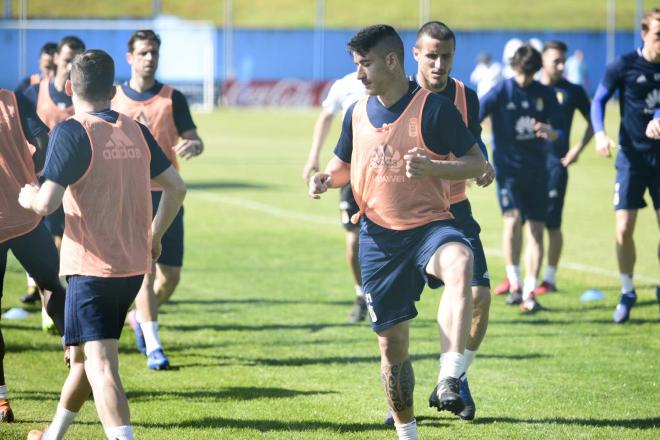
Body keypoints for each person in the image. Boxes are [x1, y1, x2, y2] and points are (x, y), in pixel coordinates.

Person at [309, 25, 486, 440]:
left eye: (365, 64)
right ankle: (407, 431)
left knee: (461, 261)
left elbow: (476, 164)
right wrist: (324, 179)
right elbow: (343, 168)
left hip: (430, 226)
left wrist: (434, 168)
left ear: (391, 61)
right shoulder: (356, 111)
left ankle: (450, 377)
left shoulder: (434, 109)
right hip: (379, 239)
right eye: (356, 65)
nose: (359, 74)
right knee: (392, 349)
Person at [21, 49, 186, 440]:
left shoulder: (73, 130)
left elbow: (46, 203)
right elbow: (176, 187)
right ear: (113, 90)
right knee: (82, 358)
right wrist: (154, 236)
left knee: (100, 364)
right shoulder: (136, 129)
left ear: (67, 86)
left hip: (92, 268)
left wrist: (26, 195)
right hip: (132, 267)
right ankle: (52, 436)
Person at [409, 20, 494, 422]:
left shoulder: (466, 96)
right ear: (415, 55)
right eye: (432, 56)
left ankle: (454, 378)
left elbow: (471, 147)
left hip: (455, 208)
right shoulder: (399, 96)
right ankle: (400, 404)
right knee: (398, 317)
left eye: (446, 56)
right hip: (405, 212)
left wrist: (482, 165)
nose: (439, 64)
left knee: (480, 298)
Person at [111, 29, 203, 369]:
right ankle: (154, 347)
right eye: (144, 52)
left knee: (171, 276)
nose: (150, 58)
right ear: (130, 57)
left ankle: (139, 318)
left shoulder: (172, 98)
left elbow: (194, 137)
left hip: (168, 196)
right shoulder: (115, 97)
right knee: (145, 273)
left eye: (154, 53)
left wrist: (193, 145)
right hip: (130, 197)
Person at [480, 44, 563, 312]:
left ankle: (529, 291)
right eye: (521, 72)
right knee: (513, 221)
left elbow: (559, 129)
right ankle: (513, 281)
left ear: (537, 71)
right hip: (508, 171)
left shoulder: (545, 94)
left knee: (537, 229)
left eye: (530, 73)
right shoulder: (501, 91)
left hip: (538, 170)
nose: (525, 78)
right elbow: (473, 119)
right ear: (514, 67)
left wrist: (550, 131)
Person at [0, 87, 66, 423]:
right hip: (27, 215)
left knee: (53, 285)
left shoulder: (13, 99)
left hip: (25, 218)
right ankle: (77, 349)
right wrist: (36, 177)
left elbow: (43, 139)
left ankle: (1, 401)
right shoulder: (12, 99)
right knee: (52, 285)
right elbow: (44, 141)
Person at [591, 9, 660, 323]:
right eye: (659, 35)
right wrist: (601, 133)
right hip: (631, 159)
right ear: (644, 34)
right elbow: (599, 100)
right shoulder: (623, 65)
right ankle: (628, 290)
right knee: (623, 229)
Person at [21, 36, 86, 312]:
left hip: (80, 182)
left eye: (77, 59)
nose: (72, 63)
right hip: (44, 180)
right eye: (69, 57)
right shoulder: (36, 93)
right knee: (50, 243)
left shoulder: (84, 94)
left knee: (72, 242)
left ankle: (65, 299)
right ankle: (53, 301)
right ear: (57, 57)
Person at [302, 72, 367, 322]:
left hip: (387, 172)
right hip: (351, 173)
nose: (362, 69)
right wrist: (313, 156)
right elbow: (325, 117)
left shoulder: (397, 84)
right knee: (353, 242)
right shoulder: (345, 85)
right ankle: (361, 295)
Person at [535, 40, 593, 294]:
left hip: (556, 165)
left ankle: (549, 278)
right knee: (525, 223)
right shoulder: (530, 88)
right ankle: (520, 280)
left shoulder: (572, 91)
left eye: (562, 61)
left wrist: (577, 150)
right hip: (529, 167)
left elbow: (595, 121)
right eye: (555, 61)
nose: (560, 66)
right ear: (542, 62)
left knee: (552, 224)